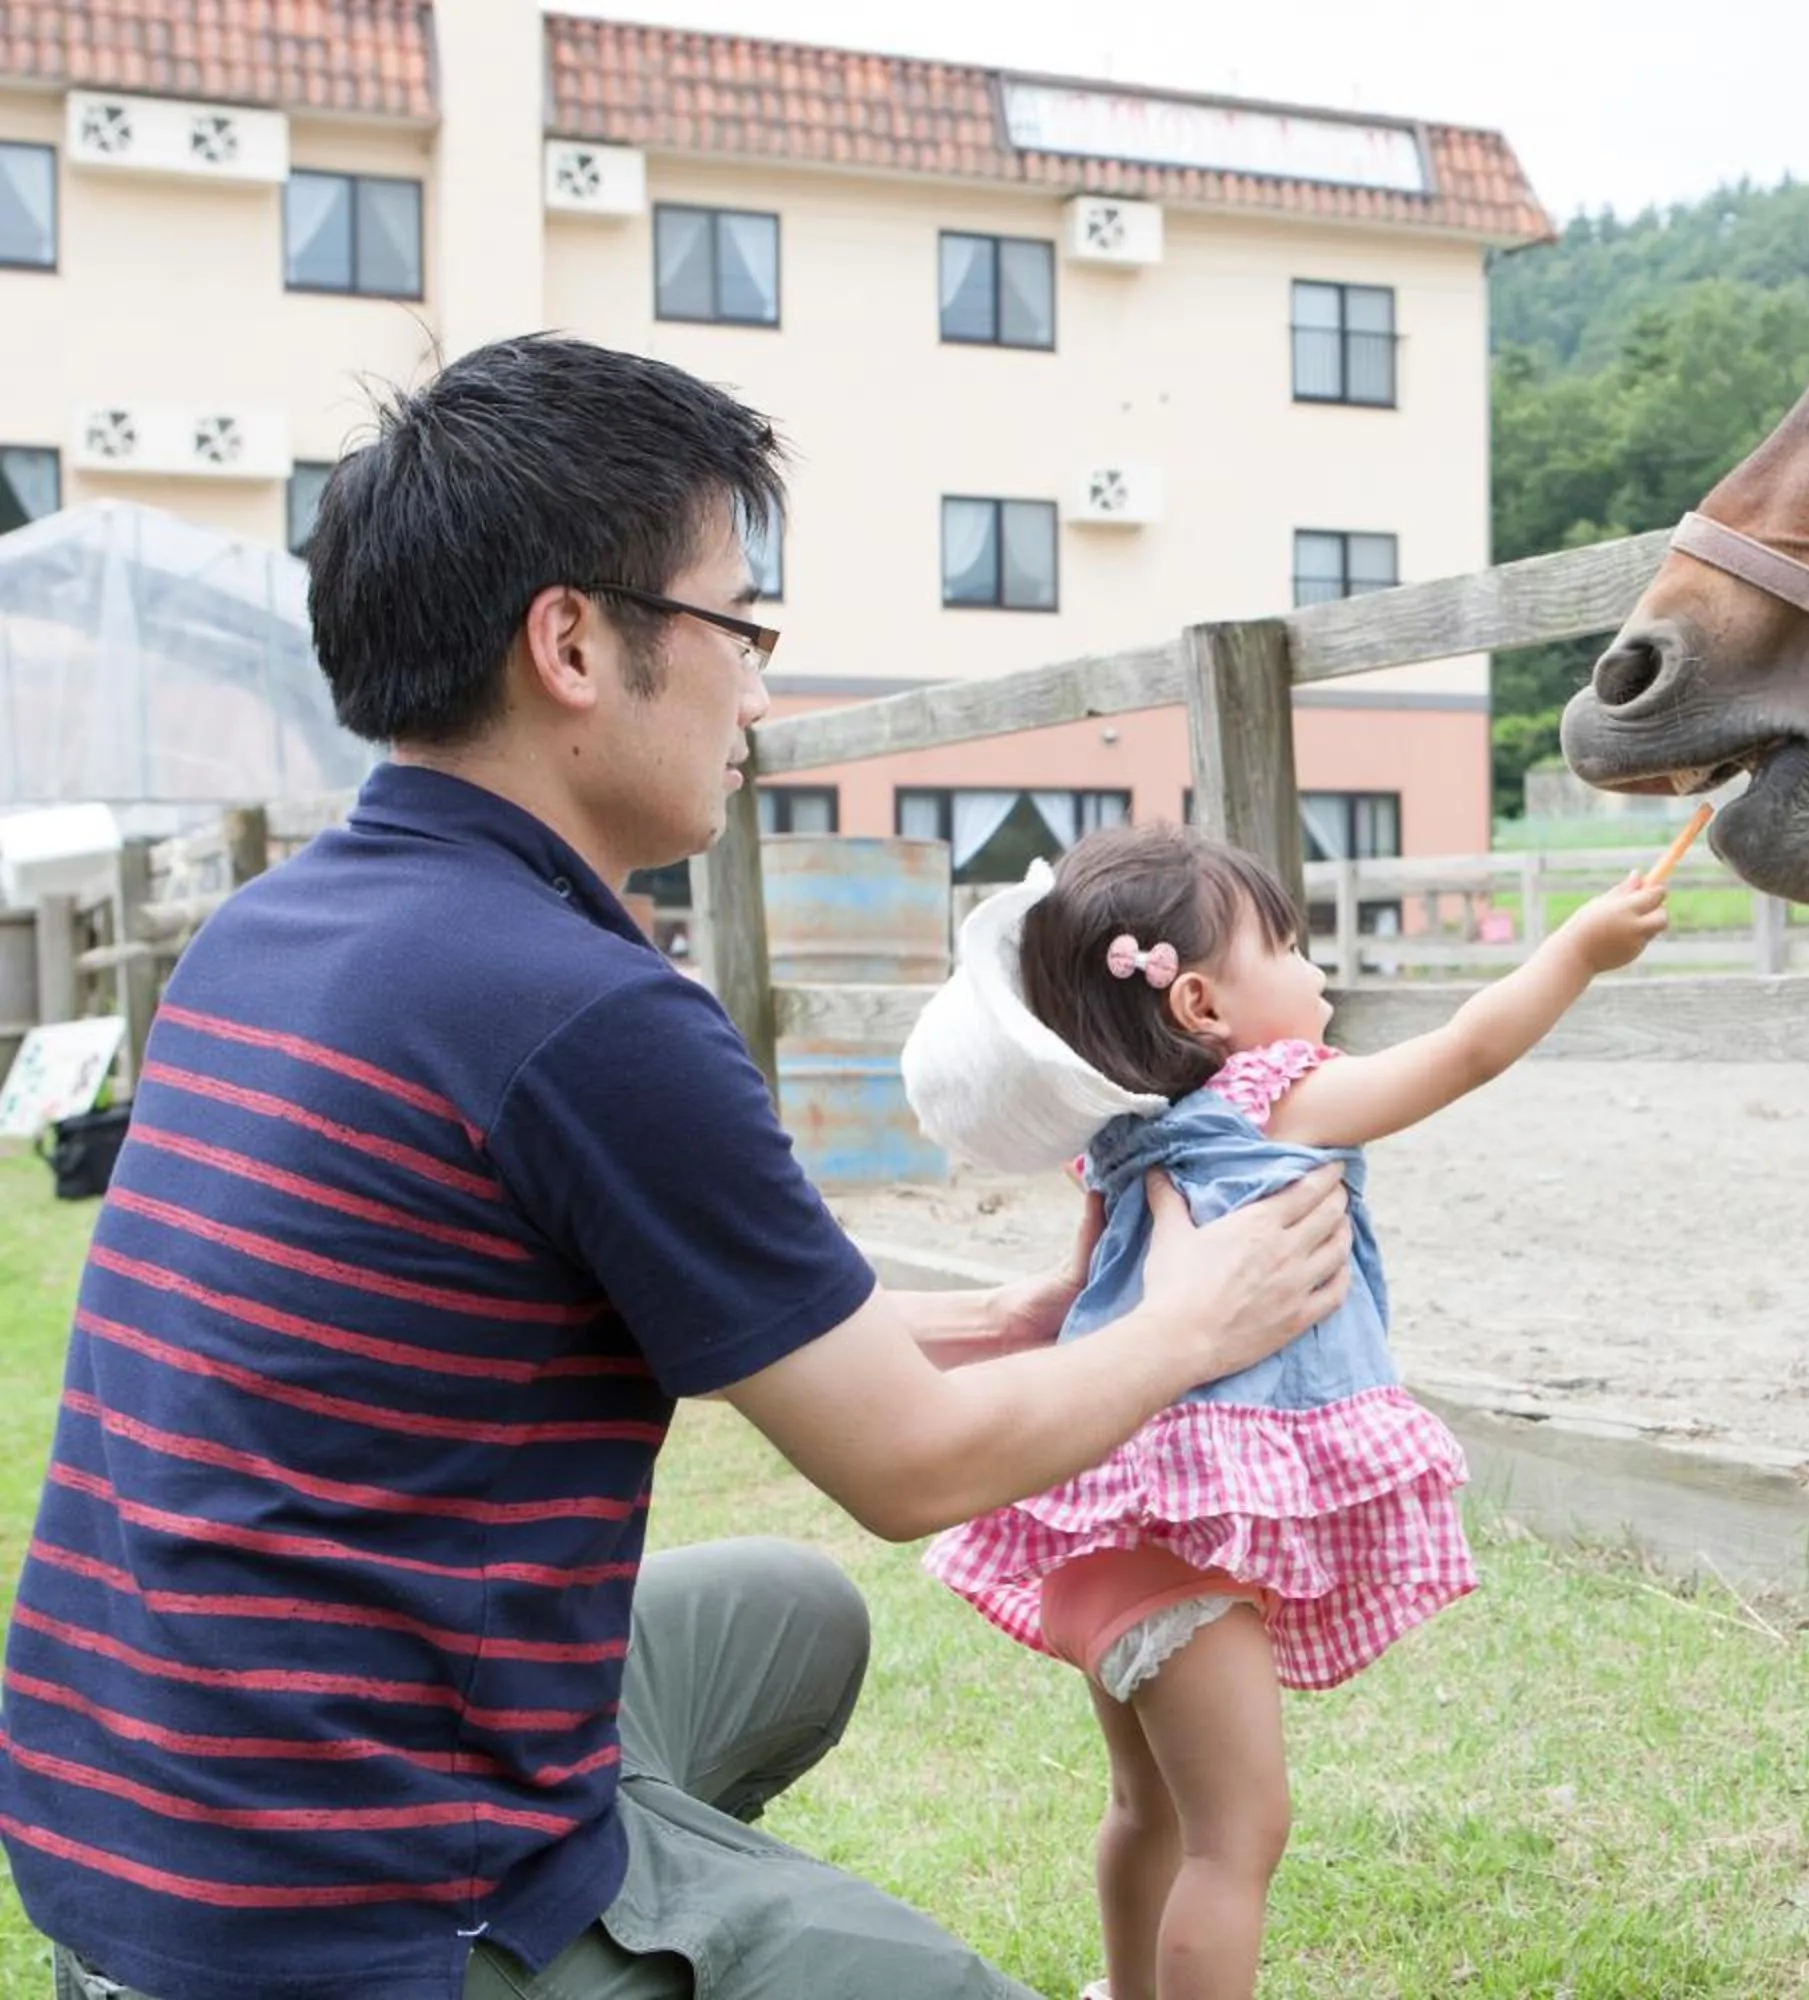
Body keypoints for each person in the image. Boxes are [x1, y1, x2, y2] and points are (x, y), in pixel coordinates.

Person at [0, 334, 1352, 2000]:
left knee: (791, 1617)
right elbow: (914, 1471)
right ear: (572, 641)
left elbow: (557, 1316)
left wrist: (1002, 1317)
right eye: (739, 627)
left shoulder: (266, 934)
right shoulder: (582, 1009)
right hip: (332, 1906)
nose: (760, 692)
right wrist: (1191, 1325)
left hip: (135, 1814)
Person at [904, 822, 1666, 2000]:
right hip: (1185, 1545)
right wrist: (1576, 949)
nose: (1318, 972)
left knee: (1147, 1806)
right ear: (1204, 1004)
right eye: (1293, 946)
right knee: (1239, 1834)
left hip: (1103, 1528)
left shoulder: (1123, 1138)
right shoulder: (1278, 1097)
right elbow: (1464, 1051)